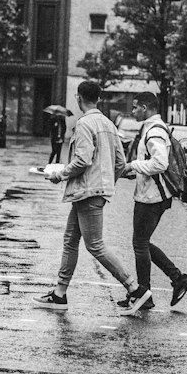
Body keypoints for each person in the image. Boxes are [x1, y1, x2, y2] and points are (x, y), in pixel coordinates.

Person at [35, 79, 149, 313]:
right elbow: (120, 162)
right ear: (98, 99)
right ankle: (59, 294)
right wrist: (107, 181)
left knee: (95, 245)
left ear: (78, 98)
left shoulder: (84, 124)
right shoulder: (108, 124)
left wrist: (60, 174)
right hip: (92, 191)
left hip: (87, 192)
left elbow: (82, 159)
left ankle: (135, 289)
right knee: (70, 240)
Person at [122, 92, 187, 309]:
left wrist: (133, 166)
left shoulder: (154, 132)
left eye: (135, 107)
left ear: (145, 107)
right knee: (141, 242)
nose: (133, 111)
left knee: (140, 243)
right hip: (153, 194)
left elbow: (160, 164)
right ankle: (175, 279)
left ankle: (145, 295)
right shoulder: (155, 128)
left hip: (152, 197)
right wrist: (135, 171)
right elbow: (151, 164)